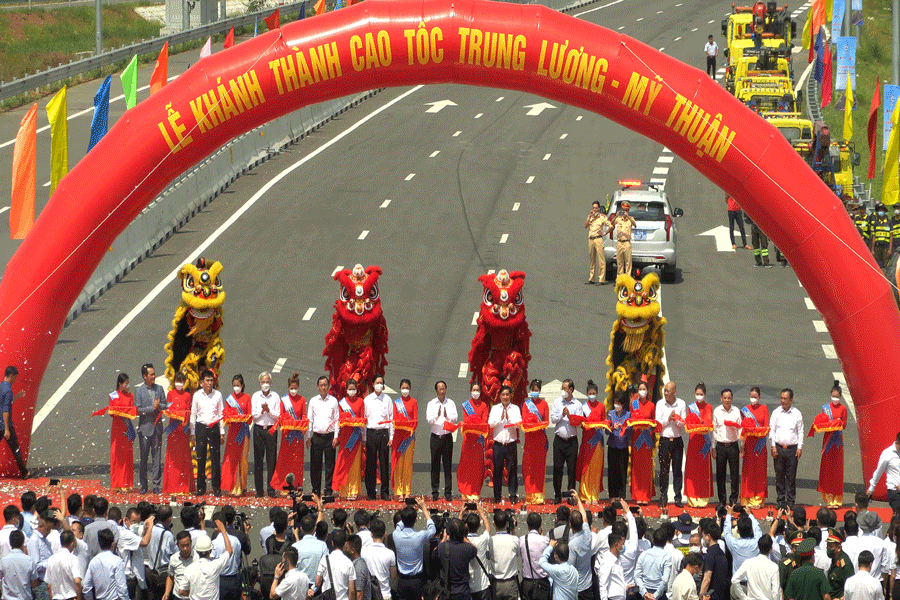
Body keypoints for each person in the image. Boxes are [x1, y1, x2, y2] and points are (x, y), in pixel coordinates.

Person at [811, 381, 849, 508]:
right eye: (833, 396)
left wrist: (837, 422)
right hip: (827, 442)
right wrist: (831, 423)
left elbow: (844, 424)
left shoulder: (843, 408)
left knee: (837, 470)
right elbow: (822, 423)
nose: (835, 399)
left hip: (837, 442)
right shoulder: (825, 407)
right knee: (827, 469)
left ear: (840, 396)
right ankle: (828, 499)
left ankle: (837, 500)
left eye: (837, 396)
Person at [269, 372, 307, 494]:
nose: (293, 390)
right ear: (288, 388)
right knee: (285, 461)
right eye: (291, 388)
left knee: (297, 461)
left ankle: (296, 486)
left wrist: (301, 425)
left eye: (295, 388)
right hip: (287, 436)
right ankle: (285, 487)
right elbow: (281, 416)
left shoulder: (302, 399)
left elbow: (304, 416)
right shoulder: (284, 400)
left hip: (298, 436)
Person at [132, 363, 167, 494]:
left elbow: (165, 404)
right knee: (144, 457)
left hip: (157, 428)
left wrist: (159, 406)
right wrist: (151, 408)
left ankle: (156, 485)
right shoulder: (139, 391)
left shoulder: (160, 388)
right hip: (145, 429)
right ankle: (144, 485)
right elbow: (138, 409)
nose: (154, 376)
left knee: (157, 457)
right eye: (151, 374)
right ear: (144, 376)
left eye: (154, 374)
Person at [393, 498, 435, 600]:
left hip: (402, 580)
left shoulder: (396, 534)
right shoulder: (420, 536)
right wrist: (424, 509)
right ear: (415, 520)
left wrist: (407, 511)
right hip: (417, 580)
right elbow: (432, 529)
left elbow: (399, 525)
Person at [190, 370, 224, 497]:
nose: (209, 383)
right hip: (201, 427)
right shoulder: (197, 395)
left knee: (215, 458)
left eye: (211, 380)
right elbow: (193, 414)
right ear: (202, 382)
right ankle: (201, 487)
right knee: (201, 458)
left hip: (214, 427)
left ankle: (216, 487)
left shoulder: (218, 395)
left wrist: (222, 433)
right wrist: (193, 433)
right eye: (207, 381)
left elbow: (221, 414)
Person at [770, 388, 804, 507]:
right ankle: (780, 500)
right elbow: (772, 430)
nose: (782, 401)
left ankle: (790, 501)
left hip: (792, 449)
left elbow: (800, 432)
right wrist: (773, 446)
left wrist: (799, 447)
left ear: (791, 400)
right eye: (781, 398)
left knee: (791, 476)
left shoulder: (797, 413)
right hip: (778, 448)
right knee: (779, 475)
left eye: (785, 399)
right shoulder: (776, 412)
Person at [334, 378, 367, 499]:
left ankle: (353, 490)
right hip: (345, 437)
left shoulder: (361, 402)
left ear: (357, 389)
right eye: (349, 389)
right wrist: (336, 437)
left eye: (353, 389)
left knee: (354, 465)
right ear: (346, 390)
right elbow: (338, 421)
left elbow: (363, 421)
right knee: (343, 463)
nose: (351, 391)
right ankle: (344, 490)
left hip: (356, 437)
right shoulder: (342, 403)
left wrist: (364, 437)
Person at [102, 373, 136, 491]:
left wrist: (121, 411)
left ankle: (126, 483)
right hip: (117, 429)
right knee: (116, 455)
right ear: (120, 384)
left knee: (126, 455)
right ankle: (117, 483)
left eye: (128, 382)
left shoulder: (130, 395)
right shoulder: (113, 395)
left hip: (127, 428)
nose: (127, 385)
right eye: (125, 383)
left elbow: (132, 410)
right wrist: (120, 411)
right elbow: (111, 412)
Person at [184, 518, 232, 600]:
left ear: (197, 551)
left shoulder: (189, 568)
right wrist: (223, 530)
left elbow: (181, 591)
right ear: (210, 551)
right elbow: (229, 551)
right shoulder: (215, 566)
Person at [306, 376, 339, 498]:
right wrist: (308, 436)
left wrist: (336, 436)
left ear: (329, 386)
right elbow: (309, 419)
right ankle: (316, 489)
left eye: (325, 385)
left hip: (330, 437)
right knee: (315, 464)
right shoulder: (313, 401)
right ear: (317, 387)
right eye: (321, 385)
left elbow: (337, 419)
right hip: (317, 437)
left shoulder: (333, 401)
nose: (323, 387)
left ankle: (328, 489)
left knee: (330, 465)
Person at [489, 385, 522, 503]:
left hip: (511, 444)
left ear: (510, 396)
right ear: (500, 396)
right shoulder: (495, 409)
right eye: (503, 395)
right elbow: (490, 423)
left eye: (507, 394)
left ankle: (513, 495)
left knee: (512, 470)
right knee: (497, 471)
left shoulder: (516, 408)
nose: (505, 397)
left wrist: (510, 420)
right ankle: (497, 496)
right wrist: (500, 418)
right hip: (498, 445)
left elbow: (519, 424)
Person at [457, 381, 490, 502]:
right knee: (465, 466)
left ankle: (475, 492)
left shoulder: (484, 406)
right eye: (473, 390)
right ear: (470, 391)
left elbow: (484, 422)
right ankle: (464, 491)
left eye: (477, 390)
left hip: (478, 441)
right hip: (468, 440)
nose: (475, 392)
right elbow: (466, 420)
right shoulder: (466, 405)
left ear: (480, 392)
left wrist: (478, 427)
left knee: (477, 467)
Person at [426, 380, 458, 502]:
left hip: (447, 438)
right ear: (436, 390)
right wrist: (437, 415)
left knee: (447, 465)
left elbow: (455, 418)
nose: (442, 391)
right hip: (435, 438)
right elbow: (429, 420)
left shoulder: (450, 403)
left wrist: (447, 416)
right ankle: (435, 492)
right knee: (435, 465)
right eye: (440, 389)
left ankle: (448, 492)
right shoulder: (431, 403)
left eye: (444, 388)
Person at [163, 372, 194, 494]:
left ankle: (183, 486)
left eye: (181, 381)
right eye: (177, 381)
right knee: (172, 458)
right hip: (172, 430)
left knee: (183, 457)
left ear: (185, 382)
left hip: (182, 430)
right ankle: (172, 486)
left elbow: (187, 410)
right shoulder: (170, 394)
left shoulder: (187, 395)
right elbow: (168, 409)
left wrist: (182, 414)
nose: (179, 384)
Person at [550, 379, 581, 504]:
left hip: (572, 441)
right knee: (557, 468)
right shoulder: (558, 402)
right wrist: (562, 416)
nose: (563, 391)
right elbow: (553, 419)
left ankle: (571, 496)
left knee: (572, 469)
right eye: (562, 388)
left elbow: (578, 423)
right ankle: (557, 495)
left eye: (565, 388)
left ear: (571, 390)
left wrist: (569, 416)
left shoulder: (577, 404)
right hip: (559, 440)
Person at [656, 381, 686, 508]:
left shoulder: (681, 403)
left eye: (668, 391)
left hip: (677, 441)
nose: (666, 393)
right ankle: (663, 496)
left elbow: (684, 423)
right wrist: (668, 420)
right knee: (664, 470)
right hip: (665, 440)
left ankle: (677, 497)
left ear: (675, 392)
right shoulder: (660, 404)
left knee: (677, 470)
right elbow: (658, 423)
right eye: (665, 391)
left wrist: (676, 419)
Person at [575, 380, 606, 503]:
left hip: (598, 442)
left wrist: (601, 426)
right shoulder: (583, 407)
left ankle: (594, 495)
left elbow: (604, 422)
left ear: (597, 393)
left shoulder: (602, 406)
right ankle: (585, 494)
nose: (592, 395)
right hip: (587, 441)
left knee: (596, 469)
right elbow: (581, 423)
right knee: (586, 467)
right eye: (590, 393)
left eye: (594, 393)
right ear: (587, 393)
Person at [221, 374, 252, 497]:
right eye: (234, 386)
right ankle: (233, 486)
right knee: (232, 460)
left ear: (242, 385)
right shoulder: (229, 399)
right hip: (233, 433)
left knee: (243, 459)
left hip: (243, 432)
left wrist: (242, 418)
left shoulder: (247, 397)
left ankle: (243, 486)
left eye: (238, 385)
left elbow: (250, 417)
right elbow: (226, 417)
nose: (236, 388)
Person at [251, 371, 280, 498]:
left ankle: (271, 489)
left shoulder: (275, 397)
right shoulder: (256, 396)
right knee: (258, 460)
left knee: (271, 460)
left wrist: (269, 411)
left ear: (271, 383)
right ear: (259, 383)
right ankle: (259, 490)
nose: (265, 384)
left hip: (271, 430)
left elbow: (278, 416)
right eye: (263, 382)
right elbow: (254, 416)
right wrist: (262, 411)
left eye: (267, 382)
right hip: (258, 429)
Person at [364, 374, 393, 501]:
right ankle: (371, 492)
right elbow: (364, 420)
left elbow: (391, 419)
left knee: (384, 463)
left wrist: (391, 437)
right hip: (370, 432)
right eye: (377, 382)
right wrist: (364, 438)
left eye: (381, 383)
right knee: (370, 463)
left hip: (383, 433)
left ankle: (385, 492)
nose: (379, 385)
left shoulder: (387, 399)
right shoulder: (367, 400)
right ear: (373, 384)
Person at [739, 386, 769, 507]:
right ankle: (747, 498)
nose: (753, 399)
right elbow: (742, 428)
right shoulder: (745, 409)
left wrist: (757, 430)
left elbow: (766, 426)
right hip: (749, 444)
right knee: (748, 472)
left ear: (759, 397)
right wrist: (741, 447)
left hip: (760, 445)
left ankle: (758, 499)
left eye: (755, 397)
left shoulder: (764, 408)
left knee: (760, 471)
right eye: (751, 397)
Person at [434, 518, 478, 600]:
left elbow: (434, 554)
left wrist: (443, 539)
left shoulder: (442, 547)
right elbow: (475, 550)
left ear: (448, 533)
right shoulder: (467, 548)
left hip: (447, 591)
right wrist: (465, 538)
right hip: (463, 592)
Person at [521, 379, 550, 504]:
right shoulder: (526, 404)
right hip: (529, 440)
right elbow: (523, 421)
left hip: (540, 439)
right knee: (529, 468)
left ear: (540, 391)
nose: (534, 392)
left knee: (539, 468)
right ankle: (529, 496)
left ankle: (538, 496)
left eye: (536, 390)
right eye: (532, 390)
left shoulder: (544, 404)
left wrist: (537, 424)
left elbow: (546, 422)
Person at [685, 383, 714, 507]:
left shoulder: (708, 407)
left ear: (705, 395)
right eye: (697, 394)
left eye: (701, 394)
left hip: (704, 441)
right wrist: (698, 422)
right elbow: (689, 421)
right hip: (693, 440)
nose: (699, 396)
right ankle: (692, 497)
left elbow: (708, 422)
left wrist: (698, 422)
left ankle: (702, 498)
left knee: (703, 470)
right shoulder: (691, 407)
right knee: (692, 470)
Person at [712, 388, 741, 506]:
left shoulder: (736, 411)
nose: (727, 400)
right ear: (721, 399)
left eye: (729, 398)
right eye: (725, 398)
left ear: (732, 398)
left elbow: (740, 429)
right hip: (720, 446)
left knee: (734, 475)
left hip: (733, 446)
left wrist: (742, 446)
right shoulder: (717, 411)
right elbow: (713, 430)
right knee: (720, 475)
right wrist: (713, 447)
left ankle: (733, 500)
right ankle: (722, 500)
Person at [628, 379, 656, 504]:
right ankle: (637, 494)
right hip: (636, 439)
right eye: (640, 389)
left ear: (647, 391)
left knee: (646, 468)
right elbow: (630, 420)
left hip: (647, 440)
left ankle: (645, 496)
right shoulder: (633, 404)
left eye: (644, 389)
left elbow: (654, 422)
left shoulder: (651, 405)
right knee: (636, 468)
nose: (642, 391)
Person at [730, 534, 780, 600]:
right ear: (771, 548)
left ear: (758, 547)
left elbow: (734, 580)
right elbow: (776, 592)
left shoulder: (748, 563)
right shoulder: (774, 567)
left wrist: (744, 597)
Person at [391, 379, 418, 499]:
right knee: (398, 464)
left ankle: (407, 491)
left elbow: (415, 420)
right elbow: (394, 420)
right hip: (398, 437)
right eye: (403, 387)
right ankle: (398, 491)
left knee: (407, 465)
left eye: (407, 387)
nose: (405, 390)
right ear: (400, 389)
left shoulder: (414, 402)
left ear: (410, 388)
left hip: (409, 438)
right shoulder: (396, 403)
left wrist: (409, 428)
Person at [0, 366, 29, 478]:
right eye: (15, 378)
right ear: (11, 376)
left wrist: (16, 396)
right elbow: (6, 410)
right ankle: (24, 472)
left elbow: (5, 403)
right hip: (5, 425)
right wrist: (7, 429)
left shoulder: (1, 387)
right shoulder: (8, 390)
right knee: (16, 449)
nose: (15, 380)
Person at [83, 528, 128, 600]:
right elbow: (122, 588)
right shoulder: (117, 561)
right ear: (113, 544)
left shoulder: (93, 561)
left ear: (99, 544)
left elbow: (86, 587)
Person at [311, 529, 356, 600]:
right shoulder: (349, 563)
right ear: (345, 544)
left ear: (332, 543)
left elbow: (317, 583)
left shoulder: (324, 559)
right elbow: (352, 590)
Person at [291, 500, 328, 586]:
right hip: (317, 587)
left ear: (301, 529)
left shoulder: (295, 546)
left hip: (299, 587)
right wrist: (320, 508)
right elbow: (325, 567)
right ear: (315, 528)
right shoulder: (322, 545)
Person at [146, 505, 177, 600]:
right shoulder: (167, 534)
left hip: (151, 571)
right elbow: (174, 552)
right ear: (169, 518)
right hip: (163, 574)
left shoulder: (151, 529)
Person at [361, 518, 396, 600]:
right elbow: (393, 576)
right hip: (385, 594)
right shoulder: (390, 554)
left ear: (371, 534)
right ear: (385, 534)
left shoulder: (363, 552)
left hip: (370, 595)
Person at [723, 506, 763, 575]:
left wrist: (729, 515)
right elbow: (757, 528)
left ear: (738, 530)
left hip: (739, 583)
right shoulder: (756, 542)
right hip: (754, 583)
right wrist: (750, 514)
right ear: (751, 529)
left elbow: (727, 532)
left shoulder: (734, 544)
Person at [463, 503, 491, 600]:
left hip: (468, 586)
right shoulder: (482, 540)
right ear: (479, 525)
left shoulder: (463, 541)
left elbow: (459, 530)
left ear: (466, 525)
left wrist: (461, 514)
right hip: (482, 585)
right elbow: (488, 528)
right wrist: (481, 513)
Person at [867, 432, 900, 513]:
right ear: (896, 443)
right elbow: (878, 471)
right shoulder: (887, 454)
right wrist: (872, 488)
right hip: (895, 491)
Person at [519, 511, 550, 599]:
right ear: (540, 526)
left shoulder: (522, 540)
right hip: (542, 583)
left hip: (527, 582)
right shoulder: (545, 540)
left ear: (528, 526)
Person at [635, 528, 672, 600]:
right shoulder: (667, 557)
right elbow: (665, 579)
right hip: (659, 595)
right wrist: (655, 596)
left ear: (653, 540)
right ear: (665, 542)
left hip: (644, 593)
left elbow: (637, 575)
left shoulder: (643, 554)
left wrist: (644, 593)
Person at [607, 392, 631, 499]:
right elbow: (606, 431)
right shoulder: (610, 414)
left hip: (623, 447)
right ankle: (612, 497)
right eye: (615, 403)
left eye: (618, 403)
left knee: (622, 473)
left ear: (622, 404)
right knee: (612, 472)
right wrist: (612, 428)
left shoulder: (628, 415)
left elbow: (630, 432)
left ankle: (622, 497)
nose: (616, 405)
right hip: (612, 446)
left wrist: (624, 428)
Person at [47, 530, 82, 600]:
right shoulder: (73, 559)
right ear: (72, 544)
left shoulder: (51, 559)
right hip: (70, 597)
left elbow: (49, 585)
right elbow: (77, 581)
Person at [585, 200, 611, 285]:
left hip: (598, 239)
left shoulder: (602, 217)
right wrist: (589, 218)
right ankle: (591, 278)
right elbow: (585, 226)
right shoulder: (591, 217)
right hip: (591, 239)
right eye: (593, 208)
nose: (594, 209)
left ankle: (601, 279)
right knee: (592, 260)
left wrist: (604, 233)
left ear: (599, 208)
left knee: (601, 260)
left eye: (596, 208)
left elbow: (611, 226)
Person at [699, 523, 728, 600]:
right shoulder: (721, 553)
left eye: (703, 536)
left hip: (711, 596)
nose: (703, 540)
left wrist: (701, 596)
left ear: (708, 536)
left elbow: (707, 579)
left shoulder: (710, 555)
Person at [83, 497, 118, 562]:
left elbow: (85, 550)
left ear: (94, 510)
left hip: (92, 565)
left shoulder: (87, 529)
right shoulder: (113, 528)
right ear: (106, 512)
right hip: (109, 565)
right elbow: (116, 548)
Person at [165, 530, 196, 600]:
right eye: (182, 546)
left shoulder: (198, 558)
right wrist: (167, 593)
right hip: (178, 597)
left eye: (187, 545)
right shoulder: (173, 559)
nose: (185, 549)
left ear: (191, 543)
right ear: (177, 545)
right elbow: (170, 577)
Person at [609, 201, 636, 276]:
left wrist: (628, 217)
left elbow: (635, 225)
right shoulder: (618, 219)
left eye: (626, 210)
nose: (624, 212)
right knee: (620, 263)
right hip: (619, 242)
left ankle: (627, 279)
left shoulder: (630, 219)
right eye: (623, 210)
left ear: (628, 211)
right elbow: (611, 224)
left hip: (627, 243)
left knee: (628, 263)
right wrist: (615, 216)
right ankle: (620, 279)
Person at [597, 532, 627, 600]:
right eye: (622, 544)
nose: (624, 547)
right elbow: (603, 584)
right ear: (616, 545)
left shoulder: (618, 559)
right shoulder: (607, 561)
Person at [827, 529, 854, 599]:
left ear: (838, 548)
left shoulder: (845, 565)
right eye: (827, 546)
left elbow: (851, 589)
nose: (828, 549)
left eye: (831, 546)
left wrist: (840, 599)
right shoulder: (834, 558)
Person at [343, 534, 371, 600]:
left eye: (347, 548)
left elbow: (359, 595)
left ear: (352, 550)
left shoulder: (358, 568)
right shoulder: (355, 563)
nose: (345, 550)